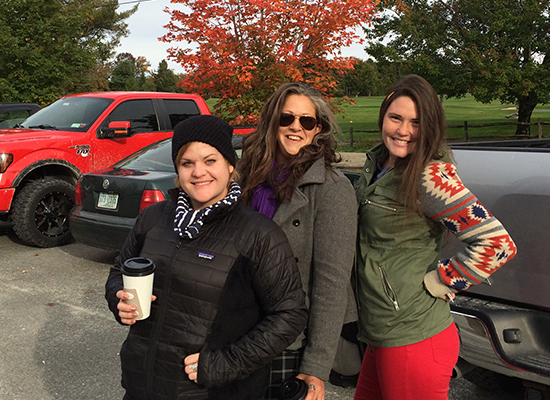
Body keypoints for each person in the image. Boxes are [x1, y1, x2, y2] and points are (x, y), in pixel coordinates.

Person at [105, 115, 308, 400]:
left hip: (212, 390)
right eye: (187, 163)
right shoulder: (154, 218)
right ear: (177, 169)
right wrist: (118, 299)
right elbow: (119, 270)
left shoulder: (258, 234)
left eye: (210, 161)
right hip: (143, 384)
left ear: (229, 164)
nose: (199, 172)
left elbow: (290, 314)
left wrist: (226, 363)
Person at [353, 75, 518, 400]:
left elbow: (497, 243)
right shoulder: (378, 163)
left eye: (416, 122)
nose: (403, 130)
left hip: (413, 335)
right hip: (382, 330)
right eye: (396, 118)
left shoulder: (428, 175)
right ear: (383, 116)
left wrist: (442, 280)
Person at [237, 82, 358, 400]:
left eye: (307, 121)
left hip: (289, 341)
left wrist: (316, 367)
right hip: (237, 331)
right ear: (272, 120)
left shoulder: (332, 187)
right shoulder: (247, 177)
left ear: (318, 128)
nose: (295, 127)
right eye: (286, 118)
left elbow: (332, 285)